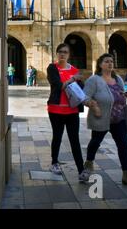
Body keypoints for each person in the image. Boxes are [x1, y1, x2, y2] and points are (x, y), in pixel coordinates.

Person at [82, 53, 127, 189]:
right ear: (100, 64)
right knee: (95, 142)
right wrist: (93, 105)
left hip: (119, 118)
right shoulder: (94, 80)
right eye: (107, 61)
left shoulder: (117, 78)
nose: (110, 64)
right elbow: (84, 97)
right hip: (101, 117)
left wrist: (126, 94)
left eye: (111, 61)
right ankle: (89, 163)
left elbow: (120, 94)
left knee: (123, 146)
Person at [47, 43, 89, 181]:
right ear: (56, 53)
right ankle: (54, 163)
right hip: (56, 110)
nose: (62, 54)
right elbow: (58, 86)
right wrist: (73, 79)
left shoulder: (74, 70)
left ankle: (81, 170)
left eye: (65, 52)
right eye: (60, 52)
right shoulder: (52, 68)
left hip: (72, 110)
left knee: (74, 140)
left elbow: (81, 89)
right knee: (57, 136)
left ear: (69, 54)